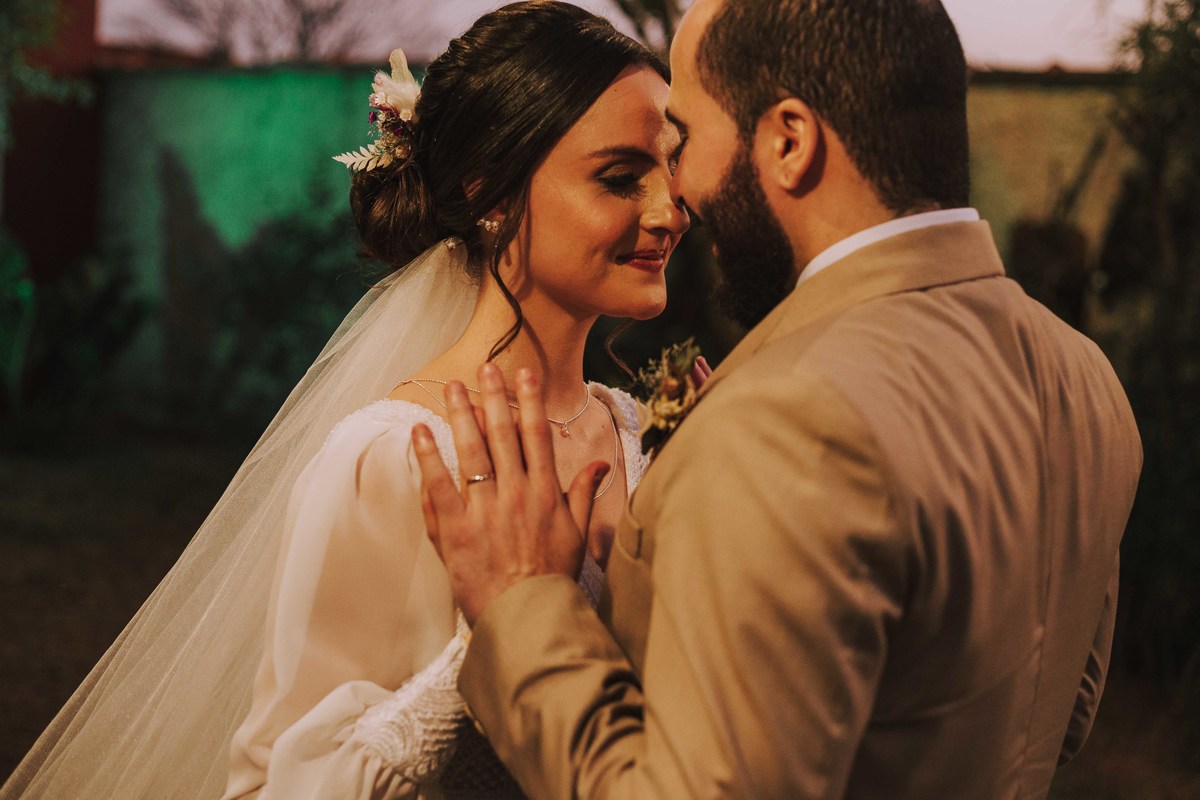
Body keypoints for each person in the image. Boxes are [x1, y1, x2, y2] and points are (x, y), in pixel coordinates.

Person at [413, 0, 1144, 797]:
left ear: (788, 142)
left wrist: (523, 603)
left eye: (687, 139)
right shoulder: (1084, 378)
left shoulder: (784, 418)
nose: (680, 193)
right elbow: (1062, 713)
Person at [0, 3, 687, 798]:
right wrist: (495, 639)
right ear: (489, 192)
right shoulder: (393, 460)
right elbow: (275, 784)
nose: (669, 210)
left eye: (671, 168)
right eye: (620, 177)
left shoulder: (643, 436)